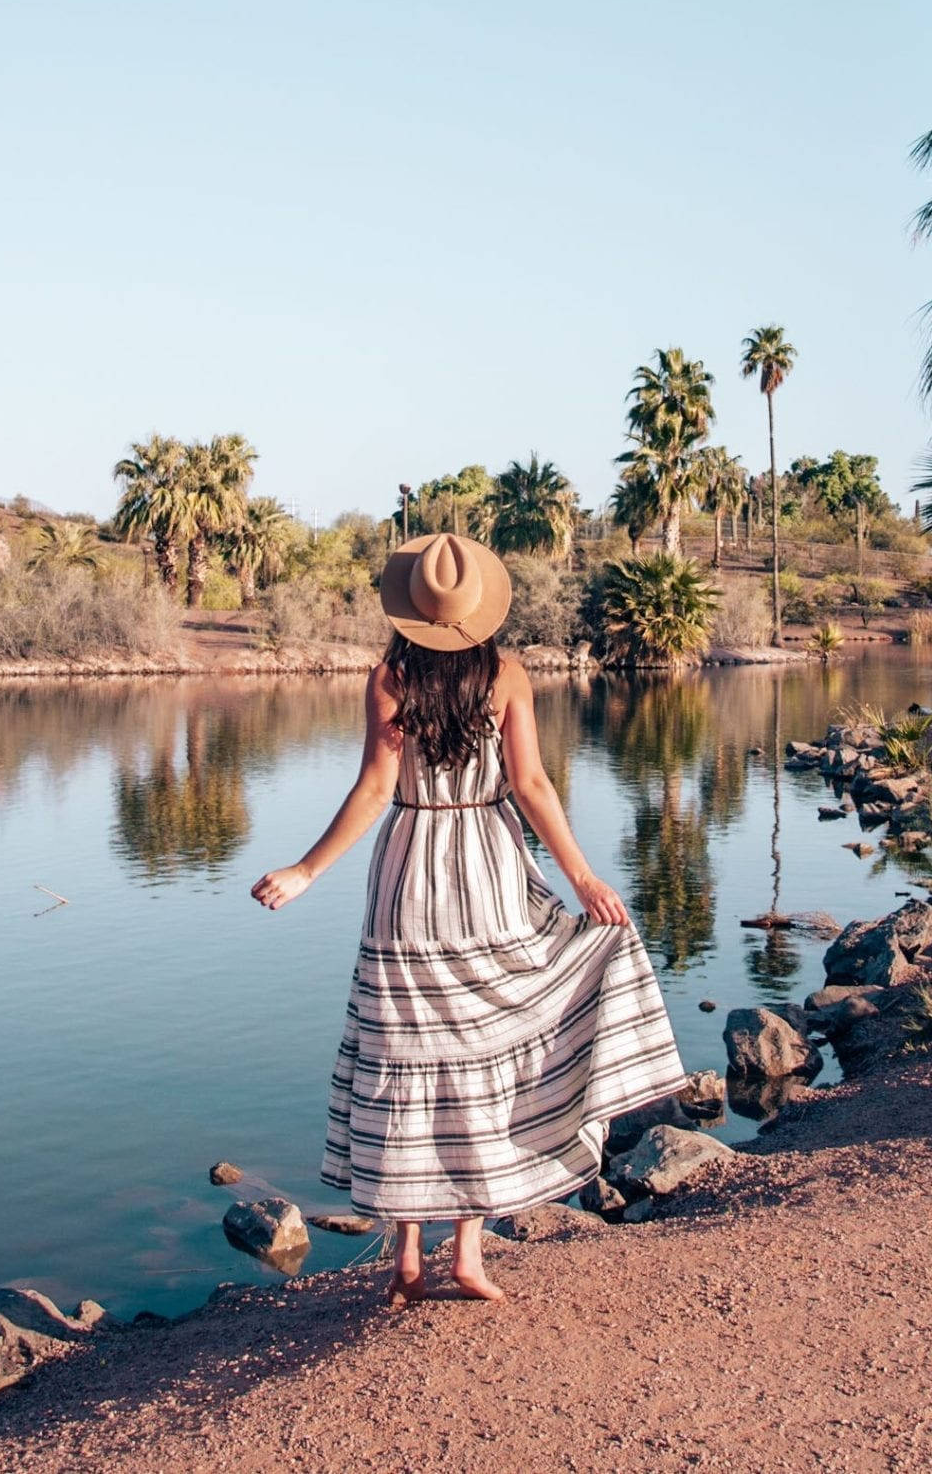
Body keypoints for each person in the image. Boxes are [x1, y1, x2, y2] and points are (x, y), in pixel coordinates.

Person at [252, 532, 685, 1305]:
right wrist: (582, 878)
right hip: (488, 860)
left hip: (409, 870)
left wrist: (307, 870)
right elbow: (532, 784)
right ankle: (468, 1255)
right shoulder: (507, 674)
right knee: (487, 1049)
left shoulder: (390, 676)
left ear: (410, 610)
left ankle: (408, 1259)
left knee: (409, 1054)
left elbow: (374, 790)